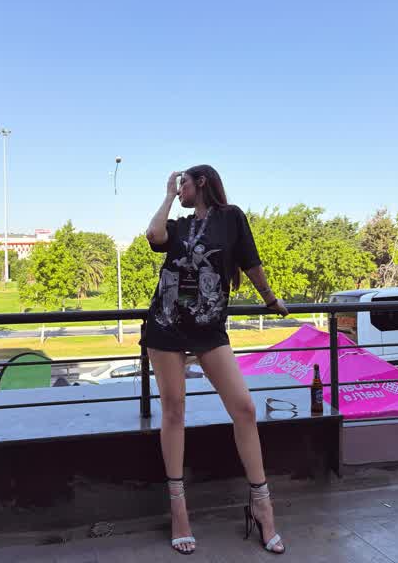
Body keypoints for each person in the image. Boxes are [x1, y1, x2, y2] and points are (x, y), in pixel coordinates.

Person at [144, 165, 288, 555]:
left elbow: (250, 261)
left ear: (202, 182)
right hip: (166, 324)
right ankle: (179, 510)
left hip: (209, 329)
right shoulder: (177, 225)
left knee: (244, 407)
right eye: (178, 187)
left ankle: (262, 505)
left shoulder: (231, 217)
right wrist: (168, 194)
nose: (181, 190)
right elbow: (153, 236)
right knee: (174, 410)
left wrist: (270, 299)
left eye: (184, 184)